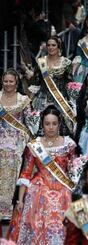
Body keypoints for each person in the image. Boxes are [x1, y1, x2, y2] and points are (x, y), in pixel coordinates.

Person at [7, 105, 77, 244]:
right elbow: (26, 173)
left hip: (63, 187)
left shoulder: (68, 144)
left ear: (59, 124)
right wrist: (20, 200)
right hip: (39, 187)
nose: (50, 127)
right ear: (42, 124)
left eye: (54, 124)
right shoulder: (35, 145)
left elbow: (74, 170)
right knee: (42, 196)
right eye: (47, 124)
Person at [0, 69, 34, 222]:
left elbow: (30, 123)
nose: (8, 84)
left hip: (16, 140)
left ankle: (8, 209)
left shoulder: (23, 100)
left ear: (16, 82)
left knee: (13, 156)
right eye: (5, 81)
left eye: (11, 81)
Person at [30, 36, 75, 133]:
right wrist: (29, 101)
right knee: (40, 129)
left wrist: (73, 103)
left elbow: (70, 84)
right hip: (42, 100)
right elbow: (35, 83)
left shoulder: (66, 63)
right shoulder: (40, 62)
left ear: (59, 47)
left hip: (61, 100)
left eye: (53, 45)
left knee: (62, 129)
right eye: (48, 45)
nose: (50, 47)